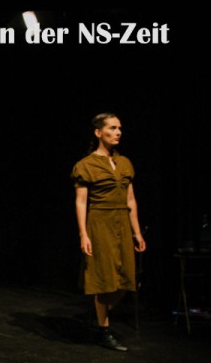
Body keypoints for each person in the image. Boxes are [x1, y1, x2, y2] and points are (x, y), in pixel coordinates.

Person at [72, 112, 146, 352]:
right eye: (112, 128)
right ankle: (104, 330)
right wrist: (83, 234)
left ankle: (99, 314)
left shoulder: (124, 163)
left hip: (122, 223)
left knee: (125, 280)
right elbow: (81, 202)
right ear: (98, 132)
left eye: (119, 128)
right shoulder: (86, 165)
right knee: (104, 280)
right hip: (100, 223)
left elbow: (131, 200)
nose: (118, 132)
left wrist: (137, 232)